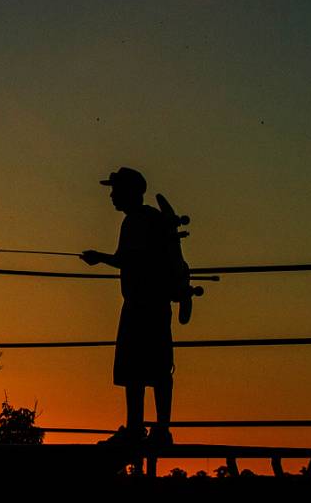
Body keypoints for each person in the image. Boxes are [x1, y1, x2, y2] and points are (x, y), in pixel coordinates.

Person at [81, 167, 174, 447]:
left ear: (129, 192)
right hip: (158, 304)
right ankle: (161, 429)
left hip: (139, 304)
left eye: (115, 190)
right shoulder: (153, 220)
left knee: (134, 369)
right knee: (158, 368)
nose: (111, 196)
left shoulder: (134, 222)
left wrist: (99, 258)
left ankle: (135, 428)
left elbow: (128, 260)